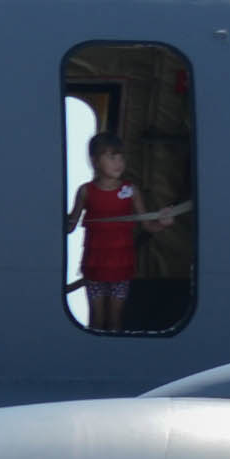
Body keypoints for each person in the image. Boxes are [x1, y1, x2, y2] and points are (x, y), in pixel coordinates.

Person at [67, 133, 188, 332]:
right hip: (94, 265)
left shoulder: (131, 190)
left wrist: (164, 223)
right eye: (111, 157)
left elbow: (147, 225)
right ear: (95, 161)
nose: (119, 162)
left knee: (115, 320)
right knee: (96, 320)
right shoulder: (85, 191)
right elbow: (70, 226)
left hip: (121, 266)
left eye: (121, 157)